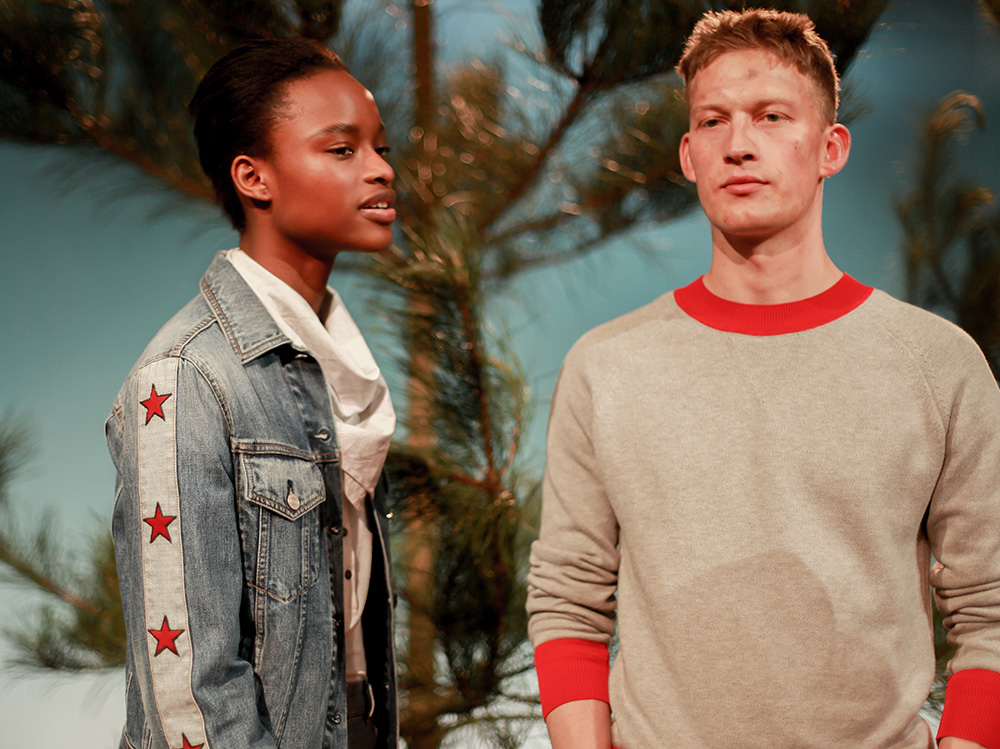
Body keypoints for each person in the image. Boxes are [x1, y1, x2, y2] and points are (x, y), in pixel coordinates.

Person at [526, 9, 1000, 749]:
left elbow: (991, 608)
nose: (738, 144)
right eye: (713, 121)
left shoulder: (937, 364)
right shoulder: (607, 365)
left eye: (771, 116)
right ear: (689, 155)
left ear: (830, 148)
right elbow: (568, 600)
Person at [106, 37, 399, 749]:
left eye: (381, 148)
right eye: (343, 149)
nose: (382, 170)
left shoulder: (340, 372)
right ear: (253, 177)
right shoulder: (187, 376)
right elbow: (190, 689)